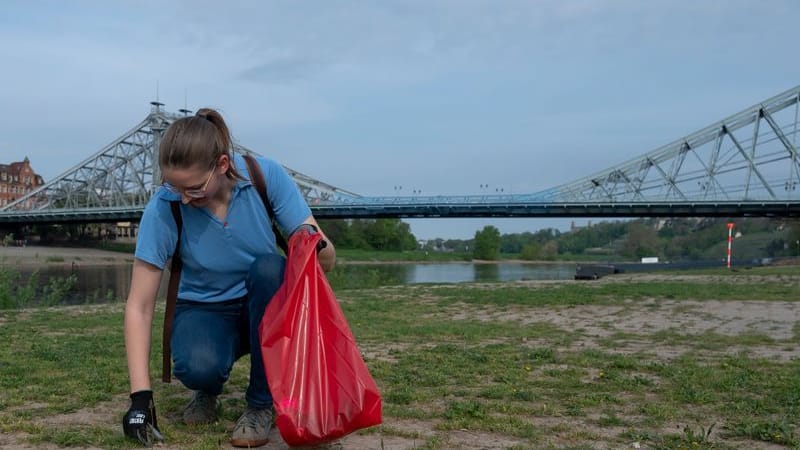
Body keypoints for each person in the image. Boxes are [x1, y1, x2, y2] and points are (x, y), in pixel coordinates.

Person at [122, 108, 335, 447]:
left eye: (192, 187)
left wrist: (313, 243)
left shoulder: (266, 176)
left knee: (269, 267)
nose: (183, 198)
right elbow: (140, 305)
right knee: (197, 367)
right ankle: (207, 389)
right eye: (172, 186)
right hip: (204, 307)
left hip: (266, 304)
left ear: (222, 165)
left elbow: (327, 260)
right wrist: (140, 398)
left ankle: (260, 406)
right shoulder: (165, 205)